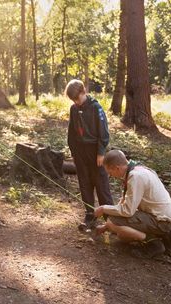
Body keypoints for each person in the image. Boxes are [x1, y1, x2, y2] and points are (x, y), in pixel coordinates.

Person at [94, 150, 171, 258]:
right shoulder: (137, 169)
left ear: (117, 168)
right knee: (122, 235)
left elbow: (127, 211)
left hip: (161, 220)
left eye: (110, 173)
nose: (111, 176)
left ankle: (153, 243)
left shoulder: (136, 177)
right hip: (158, 216)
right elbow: (125, 201)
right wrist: (106, 227)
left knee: (112, 222)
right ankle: (164, 235)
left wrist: (103, 209)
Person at [65, 79, 113, 230]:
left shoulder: (96, 108)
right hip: (80, 152)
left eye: (77, 98)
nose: (76, 102)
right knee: (84, 184)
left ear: (83, 92)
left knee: (101, 185)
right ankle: (89, 215)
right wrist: (73, 152)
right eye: (73, 100)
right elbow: (71, 132)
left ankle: (110, 218)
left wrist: (100, 152)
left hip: (95, 152)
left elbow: (104, 133)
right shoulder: (74, 109)